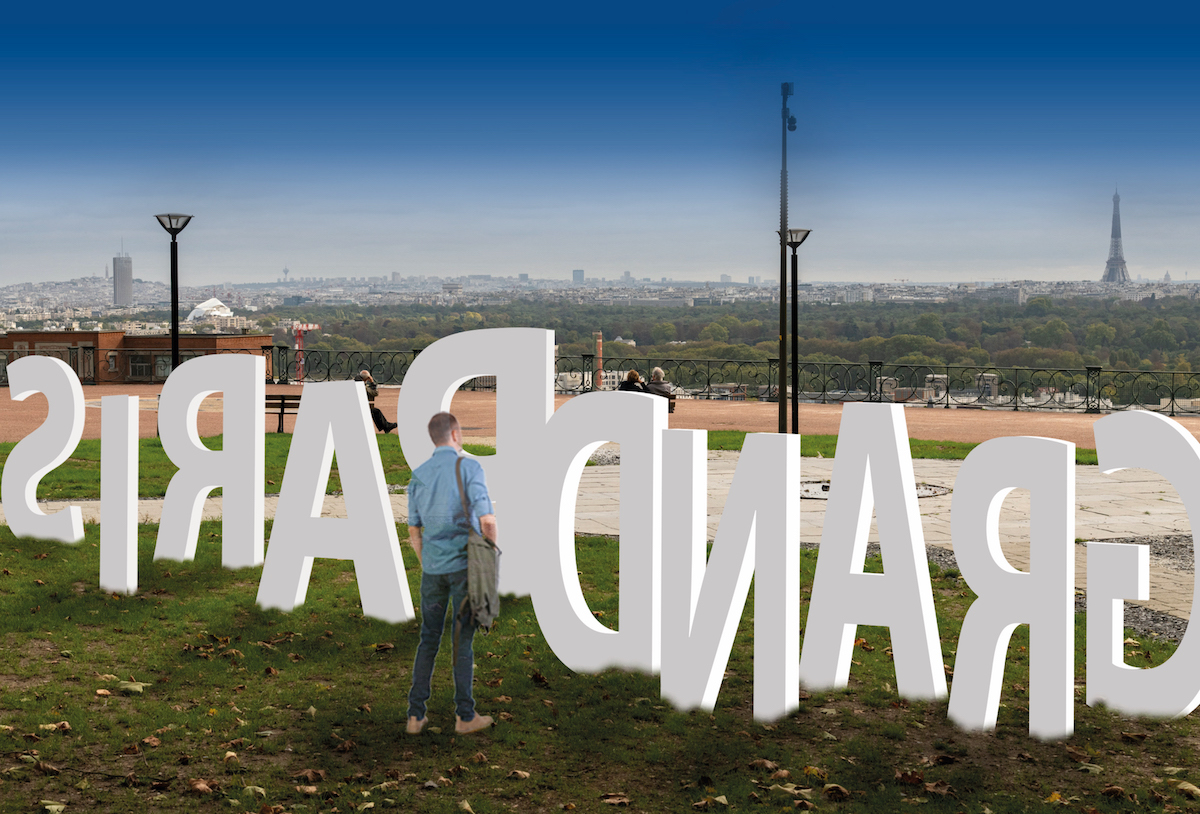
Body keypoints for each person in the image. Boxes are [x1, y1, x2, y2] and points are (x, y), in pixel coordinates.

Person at [405, 411, 497, 735]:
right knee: (462, 642)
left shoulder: (418, 475)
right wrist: (489, 559)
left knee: (428, 638)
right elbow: (487, 521)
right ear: (456, 435)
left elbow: (414, 530)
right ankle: (464, 715)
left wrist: (425, 560)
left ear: (434, 438)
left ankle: (416, 715)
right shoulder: (469, 467)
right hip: (463, 568)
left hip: (432, 569)